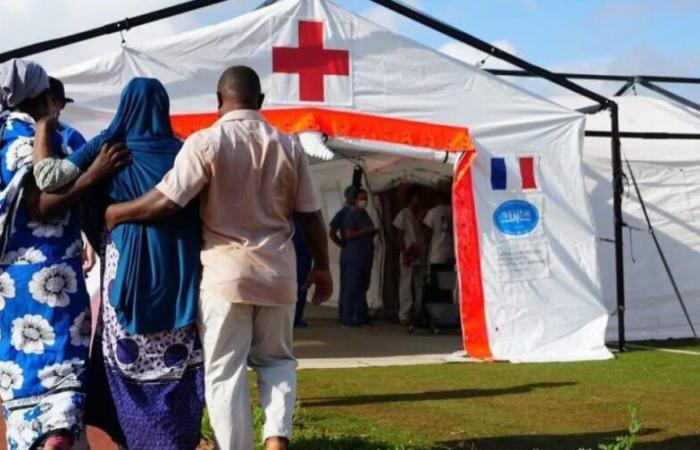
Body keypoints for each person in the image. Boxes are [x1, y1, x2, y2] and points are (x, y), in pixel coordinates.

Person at [103, 66, 333, 450]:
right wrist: (323, 266)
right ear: (260, 102)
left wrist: (117, 212)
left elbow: (167, 199)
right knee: (277, 361)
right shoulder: (290, 145)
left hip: (224, 277)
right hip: (278, 274)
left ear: (218, 100)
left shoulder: (205, 142)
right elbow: (310, 214)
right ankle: (277, 439)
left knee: (225, 372)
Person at [33, 77, 206, 450]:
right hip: (180, 270)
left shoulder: (108, 146)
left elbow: (50, 182)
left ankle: (132, 438)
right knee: (175, 361)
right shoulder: (185, 152)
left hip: (124, 269)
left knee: (127, 359)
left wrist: (45, 124)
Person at [0, 58, 127, 450]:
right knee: (62, 361)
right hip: (55, 275)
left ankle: (33, 439)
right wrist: (95, 172)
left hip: (9, 282)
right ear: (42, 96)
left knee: (19, 369)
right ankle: (58, 434)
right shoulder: (54, 137)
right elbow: (43, 204)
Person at [48, 77, 96, 274]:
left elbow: (88, 191)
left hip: (66, 239)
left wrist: (90, 243)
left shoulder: (71, 137)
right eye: (58, 103)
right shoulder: (68, 137)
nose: (59, 110)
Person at [341, 188, 376, 327]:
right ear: (355, 200)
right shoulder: (351, 215)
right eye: (361, 198)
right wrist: (365, 231)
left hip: (365, 256)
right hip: (354, 257)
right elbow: (349, 234)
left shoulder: (365, 214)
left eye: (366, 198)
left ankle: (362, 317)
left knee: (362, 288)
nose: (364, 201)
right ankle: (347, 319)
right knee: (351, 288)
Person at [393, 185, 426, 325]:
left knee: (419, 283)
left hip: (419, 252)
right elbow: (399, 235)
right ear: (411, 198)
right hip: (408, 252)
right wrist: (404, 252)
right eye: (417, 196)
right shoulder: (403, 214)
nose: (419, 200)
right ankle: (404, 314)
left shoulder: (418, 214)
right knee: (406, 283)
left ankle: (417, 312)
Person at [329, 185, 357, 321]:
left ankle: (353, 312)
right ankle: (345, 314)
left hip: (358, 253)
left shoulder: (359, 213)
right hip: (348, 253)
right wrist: (342, 244)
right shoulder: (343, 213)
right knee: (347, 284)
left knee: (356, 284)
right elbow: (332, 233)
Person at [293, 217, 312, 328]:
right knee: (301, 287)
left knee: (300, 287)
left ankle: (296, 317)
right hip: (301, 254)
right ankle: (296, 317)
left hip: (299, 253)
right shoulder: (305, 217)